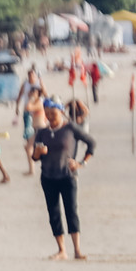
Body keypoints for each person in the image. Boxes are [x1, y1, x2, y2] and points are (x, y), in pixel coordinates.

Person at [31, 99, 94, 259]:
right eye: (48, 113)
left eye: (54, 113)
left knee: (71, 211)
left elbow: (91, 143)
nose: (51, 116)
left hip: (67, 176)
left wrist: (81, 163)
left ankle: (77, 250)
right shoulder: (42, 132)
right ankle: (61, 250)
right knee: (54, 213)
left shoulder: (70, 128)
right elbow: (34, 157)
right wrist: (39, 153)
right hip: (48, 177)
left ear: (61, 112)